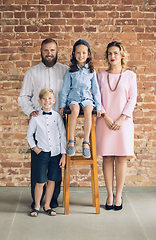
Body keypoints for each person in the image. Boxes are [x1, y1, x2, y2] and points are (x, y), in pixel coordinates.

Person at [18, 38, 68, 209]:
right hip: (39, 123)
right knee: (38, 163)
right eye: (46, 50)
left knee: (56, 164)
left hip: (58, 121)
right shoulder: (32, 73)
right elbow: (23, 96)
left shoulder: (65, 71)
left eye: (52, 50)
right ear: (41, 51)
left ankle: (53, 199)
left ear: (57, 51)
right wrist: (31, 112)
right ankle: (37, 201)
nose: (49, 54)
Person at [96, 41, 137, 211]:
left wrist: (121, 119)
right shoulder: (100, 76)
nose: (113, 57)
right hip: (104, 121)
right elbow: (96, 99)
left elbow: (132, 99)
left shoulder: (130, 76)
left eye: (116, 53)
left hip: (123, 123)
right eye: (110, 54)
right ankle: (109, 195)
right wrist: (105, 116)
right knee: (107, 157)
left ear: (122, 55)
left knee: (121, 158)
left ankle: (119, 195)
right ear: (107, 56)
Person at [27, 88, 66, 216]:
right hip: (42, 153)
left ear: (54, 101)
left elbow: (62, 136)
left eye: (49, 98)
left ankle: (47, 206)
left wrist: (63, 155)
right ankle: (37, 206)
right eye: (44, 99)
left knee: (52, 180)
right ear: (39, 101)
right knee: (40, 181)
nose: (47, 101)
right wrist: (35, 148)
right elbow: (29, 135)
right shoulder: (36, 117)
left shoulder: (57, 117)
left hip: (56, 153)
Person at [59, 39, 101, 158]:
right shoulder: (70, 71)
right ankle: (71, 141)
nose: (81, 55)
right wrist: (62, 105)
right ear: (74, 54)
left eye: (84, 53)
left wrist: (98, 106)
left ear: (88, 54)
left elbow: (96, 90)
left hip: (87, 98)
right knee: (75, 110)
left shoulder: (91, 71)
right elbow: (65, 89)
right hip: (74, 97)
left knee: (88, 111)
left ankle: (86, 142)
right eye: (78, 53)